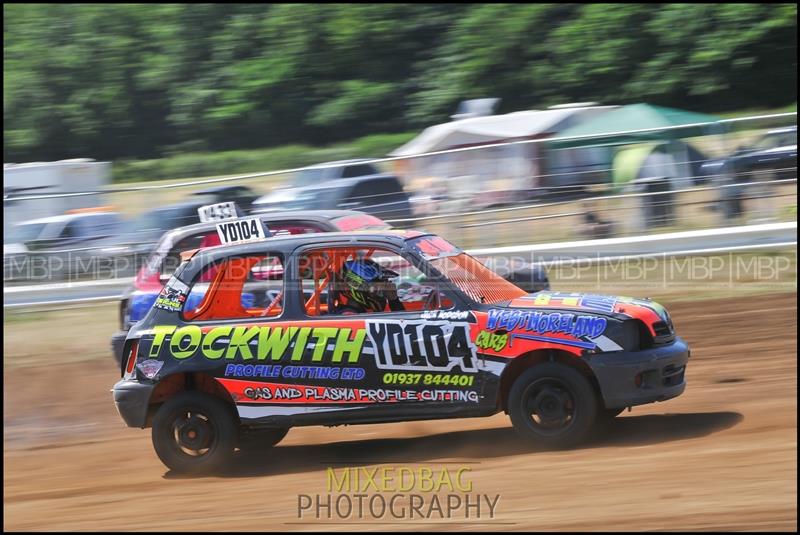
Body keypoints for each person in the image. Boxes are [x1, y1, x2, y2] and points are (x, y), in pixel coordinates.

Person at [332, 259, 405, 314]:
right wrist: (393, 301)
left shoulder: (359, 313)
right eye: (377, 288)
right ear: (357, 288)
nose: (385, 291)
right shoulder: (349, 316)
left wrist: (393, 299)